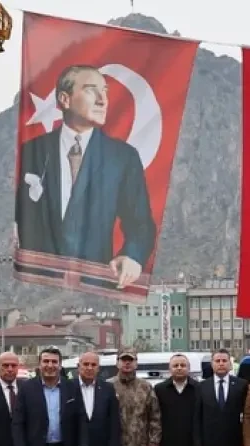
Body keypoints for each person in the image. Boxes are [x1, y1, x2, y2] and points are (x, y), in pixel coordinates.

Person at [14, 64, 156, 289]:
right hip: (39, 283)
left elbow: (141, 224)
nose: (103, 100)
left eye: (105, 92)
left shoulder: (122, 157)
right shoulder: (32, 152)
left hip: (96, 284)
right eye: (91, 90)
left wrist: (132, 256)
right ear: (65, 99)